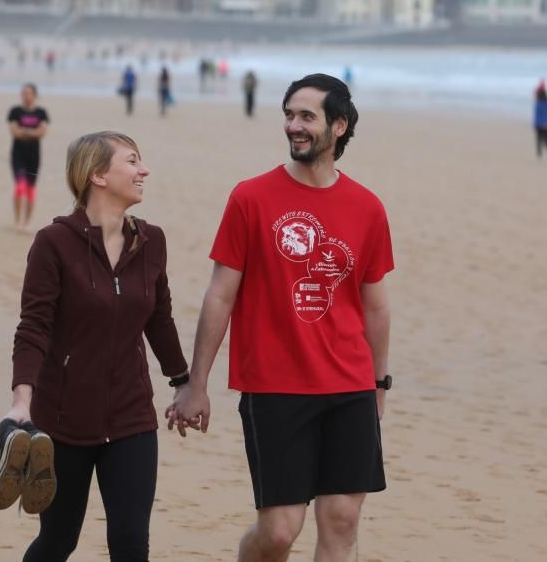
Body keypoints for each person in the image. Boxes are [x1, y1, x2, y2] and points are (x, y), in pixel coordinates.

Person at [166, 73, 394, 562]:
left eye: (306, 116)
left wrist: (378, 384)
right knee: (278, 531)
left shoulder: (367, 207)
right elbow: (219, 296)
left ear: (340, 125)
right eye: (289, 115)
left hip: (349, 384)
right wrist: (196, 382)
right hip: (276, 386)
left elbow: (375, 304)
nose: (294, 126)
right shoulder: (251, 198)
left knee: (342, 519)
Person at [4, 131, 189, 560]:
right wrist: (21, 404)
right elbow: (33, 328)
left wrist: (183, 382)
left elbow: (159, 319)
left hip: (131, 420)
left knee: (129, 545)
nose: (143, 170)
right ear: (98, 175)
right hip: (63, 423)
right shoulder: (54, 244)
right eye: (132, 161)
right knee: (58, 540)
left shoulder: (151, 241)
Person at [8, 84, 50, 232]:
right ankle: (17, 220)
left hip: (34, 155)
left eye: (29, 93)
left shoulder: (41, 112)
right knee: (20, 187)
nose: (26, 96)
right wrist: (32, 132)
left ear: (35, 95)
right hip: (17, 154)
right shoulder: (15, 111)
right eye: (23, 93)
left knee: (31, 189)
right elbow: (15, 132)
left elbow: (42, 132)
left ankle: (27, 222)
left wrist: (25, 131)